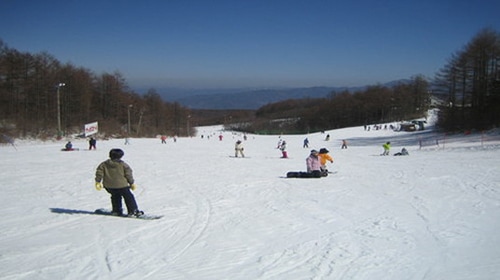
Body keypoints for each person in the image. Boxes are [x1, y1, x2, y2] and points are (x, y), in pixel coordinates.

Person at [94, 148, 143, 217]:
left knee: (115, 196)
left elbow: (99, 173)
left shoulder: (103, 164)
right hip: (122, 185)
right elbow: (128, 174)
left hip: (109, 186)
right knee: (128, 197)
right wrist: (131, 183)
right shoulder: (123, 165)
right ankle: (133, 211)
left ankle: (116, 210)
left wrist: (98, 182)